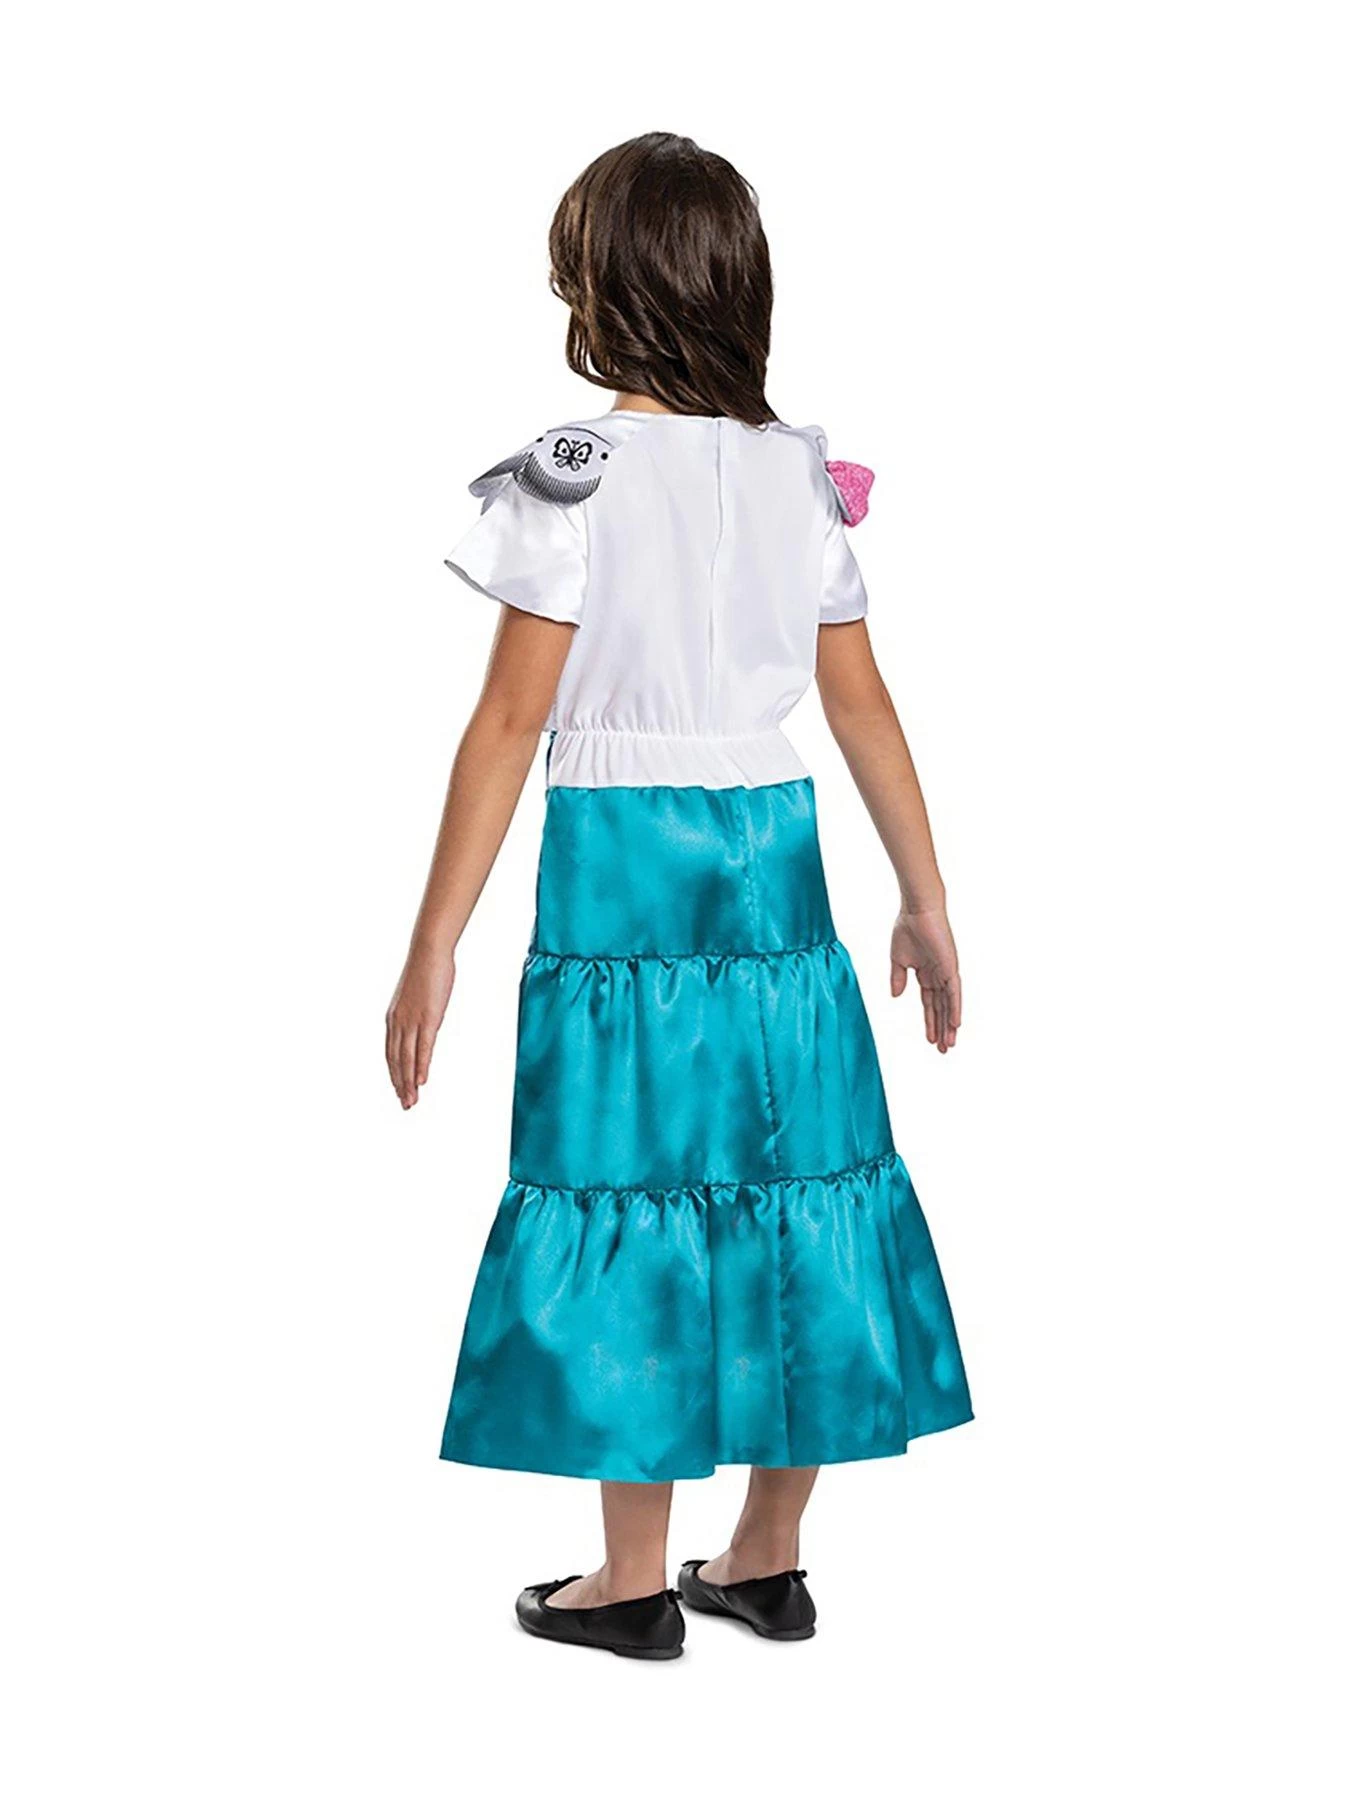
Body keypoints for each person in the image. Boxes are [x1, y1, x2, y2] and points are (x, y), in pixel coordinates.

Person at [386, 132, 972, 1660]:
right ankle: (766, 1557)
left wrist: (433, 943)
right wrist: (922, 897)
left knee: (624, 1179)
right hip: (772, 855)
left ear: (602, 286)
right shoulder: (795, 475)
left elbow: (508, 722)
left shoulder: (571, 479)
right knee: (801, 1171)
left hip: (623, 864)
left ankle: (633, 1580)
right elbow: (859, 704)